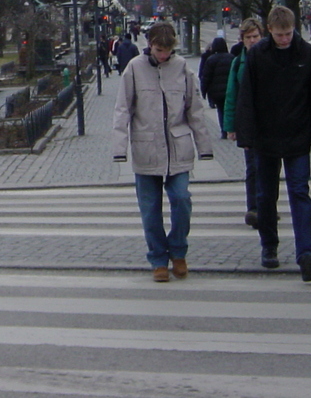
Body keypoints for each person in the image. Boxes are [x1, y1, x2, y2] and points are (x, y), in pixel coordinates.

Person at [112, 21, 214, 282]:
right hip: (146, 147)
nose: (163, 55)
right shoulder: (134, 68)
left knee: (181, 200)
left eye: (167, 51)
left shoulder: (182, 68)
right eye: (159, 50)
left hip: (178, 148)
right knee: (150, 209)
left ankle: (178, 251)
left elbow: (195, 109)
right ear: (150, 45)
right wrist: (119, 148)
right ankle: (158, 258)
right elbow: (123, 108)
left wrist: (205, 146)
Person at [236, 6, 311, 281]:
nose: (284, 39)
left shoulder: (307, 53)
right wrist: (247, 135)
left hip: (297, 134)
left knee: (300, 193)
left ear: (294, 29)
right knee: (266, 195)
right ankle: (269, 246)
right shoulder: (257, 55)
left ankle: (305, 252)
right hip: (266, 137)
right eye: (279, 34)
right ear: (270, 32)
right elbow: (247, 97)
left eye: (288, 33)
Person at [223, 17, 263, 226]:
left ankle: (267, 205)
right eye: (249, 37)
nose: (253, 41)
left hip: (268, 123)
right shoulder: (238, 62)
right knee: (252, 168)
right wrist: (230, 127)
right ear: (242, 39)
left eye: (256, 36)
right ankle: (254, 207)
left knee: (269, 167)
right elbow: (232, 94)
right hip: (248, 123)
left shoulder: (269, 58)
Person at [200, 36, 233, 137]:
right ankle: (231, 128)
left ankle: (223, 131)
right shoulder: (231, 58)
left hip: (216, 92)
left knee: (220, 110)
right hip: (229, 90)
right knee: (230, 109)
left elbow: (206, 77)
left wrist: (204, 91)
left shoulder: (211, 60)